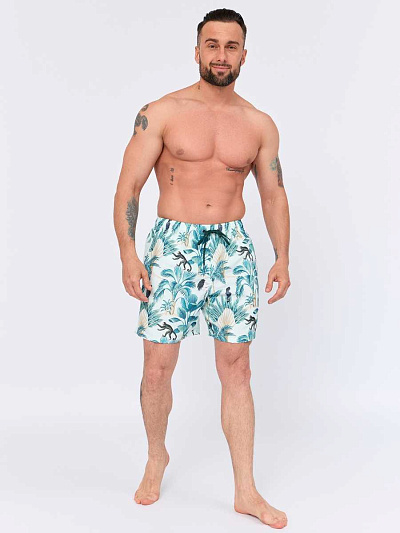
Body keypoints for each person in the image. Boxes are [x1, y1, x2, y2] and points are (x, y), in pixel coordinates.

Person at [113, 8, 290, 529]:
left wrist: (282, 255)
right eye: (212, 45)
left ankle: (245, 490)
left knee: (237, 368)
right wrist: (128, 252)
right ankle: (156, 457)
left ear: (244, 55)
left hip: (232, 248)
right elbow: (128, 186)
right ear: (196, 51)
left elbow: (273, 194)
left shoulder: (258, 124)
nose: (221, 55)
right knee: (157, 365)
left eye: (231, 46)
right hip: (173, 246)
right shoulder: (162, 112)